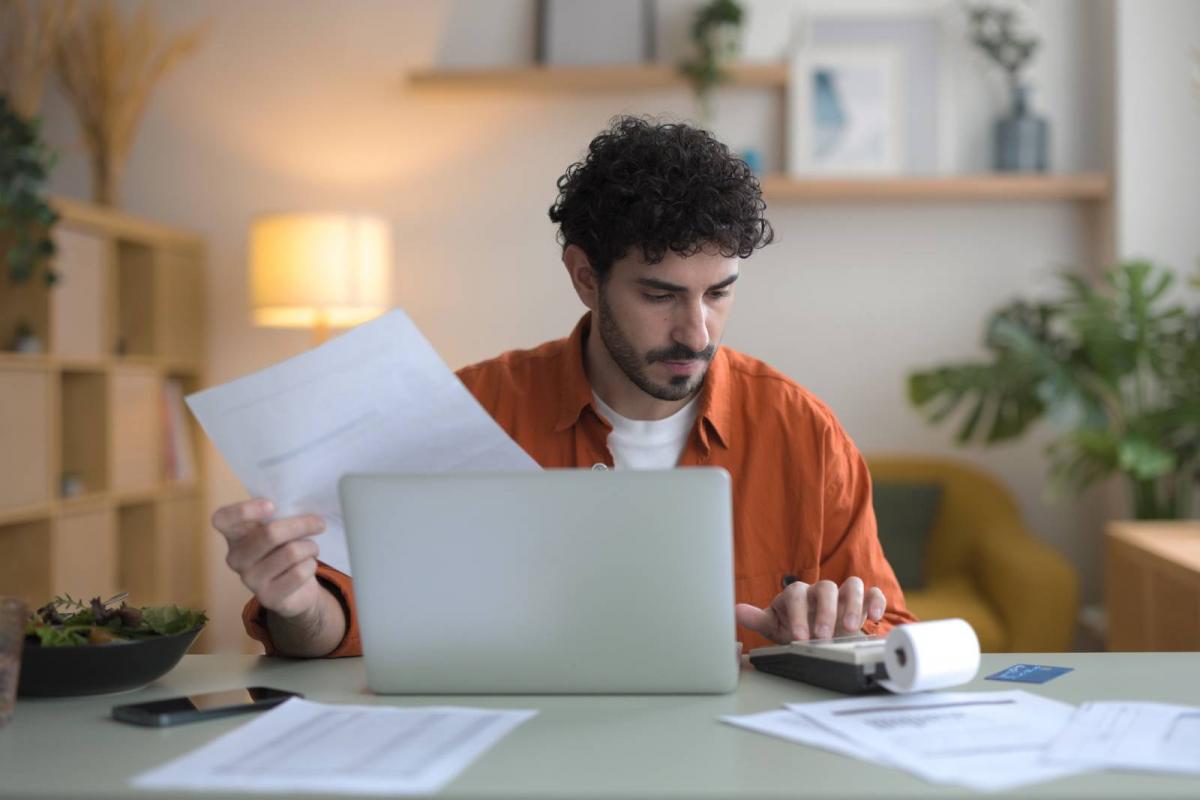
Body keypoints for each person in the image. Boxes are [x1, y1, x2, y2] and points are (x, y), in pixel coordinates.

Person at [212, 116, 916, 658]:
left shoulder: (804, 434)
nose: (698, 332)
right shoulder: (470, 413)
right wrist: (299, 603)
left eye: (720, 294)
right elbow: (349, 626)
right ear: (585, 277)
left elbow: (890, 632)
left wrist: (838, 631)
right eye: (661, 294)